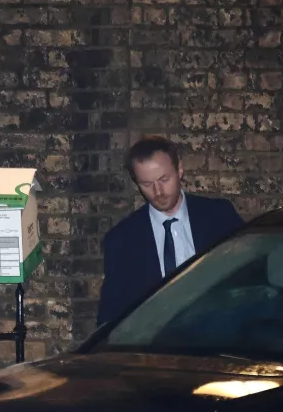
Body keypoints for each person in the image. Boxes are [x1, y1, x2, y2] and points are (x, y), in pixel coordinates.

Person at [96, 135, 244, 326]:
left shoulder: (218, 216)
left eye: (164, 179)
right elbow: (111, 314)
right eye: (147, 184)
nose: (158, 192)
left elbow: (247, 276)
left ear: (180, 170)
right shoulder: (122, 240)